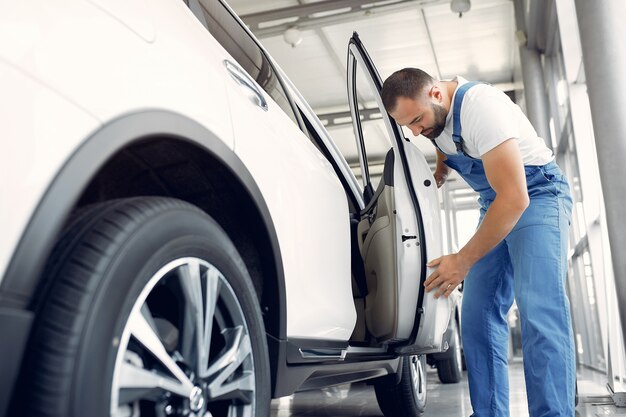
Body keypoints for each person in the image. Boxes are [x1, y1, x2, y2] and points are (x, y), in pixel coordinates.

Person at [381, 68, 574, 417]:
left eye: (417, 121)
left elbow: (515, 198)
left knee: (538, 309)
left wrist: (463, 260)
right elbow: (443, 140)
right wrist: (442, 170)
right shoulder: (433, 118)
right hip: (495, 203)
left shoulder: (481, 109)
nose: (415, 131)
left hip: (537, 194)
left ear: (436, 94)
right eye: (407, 126)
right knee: (477, 315)